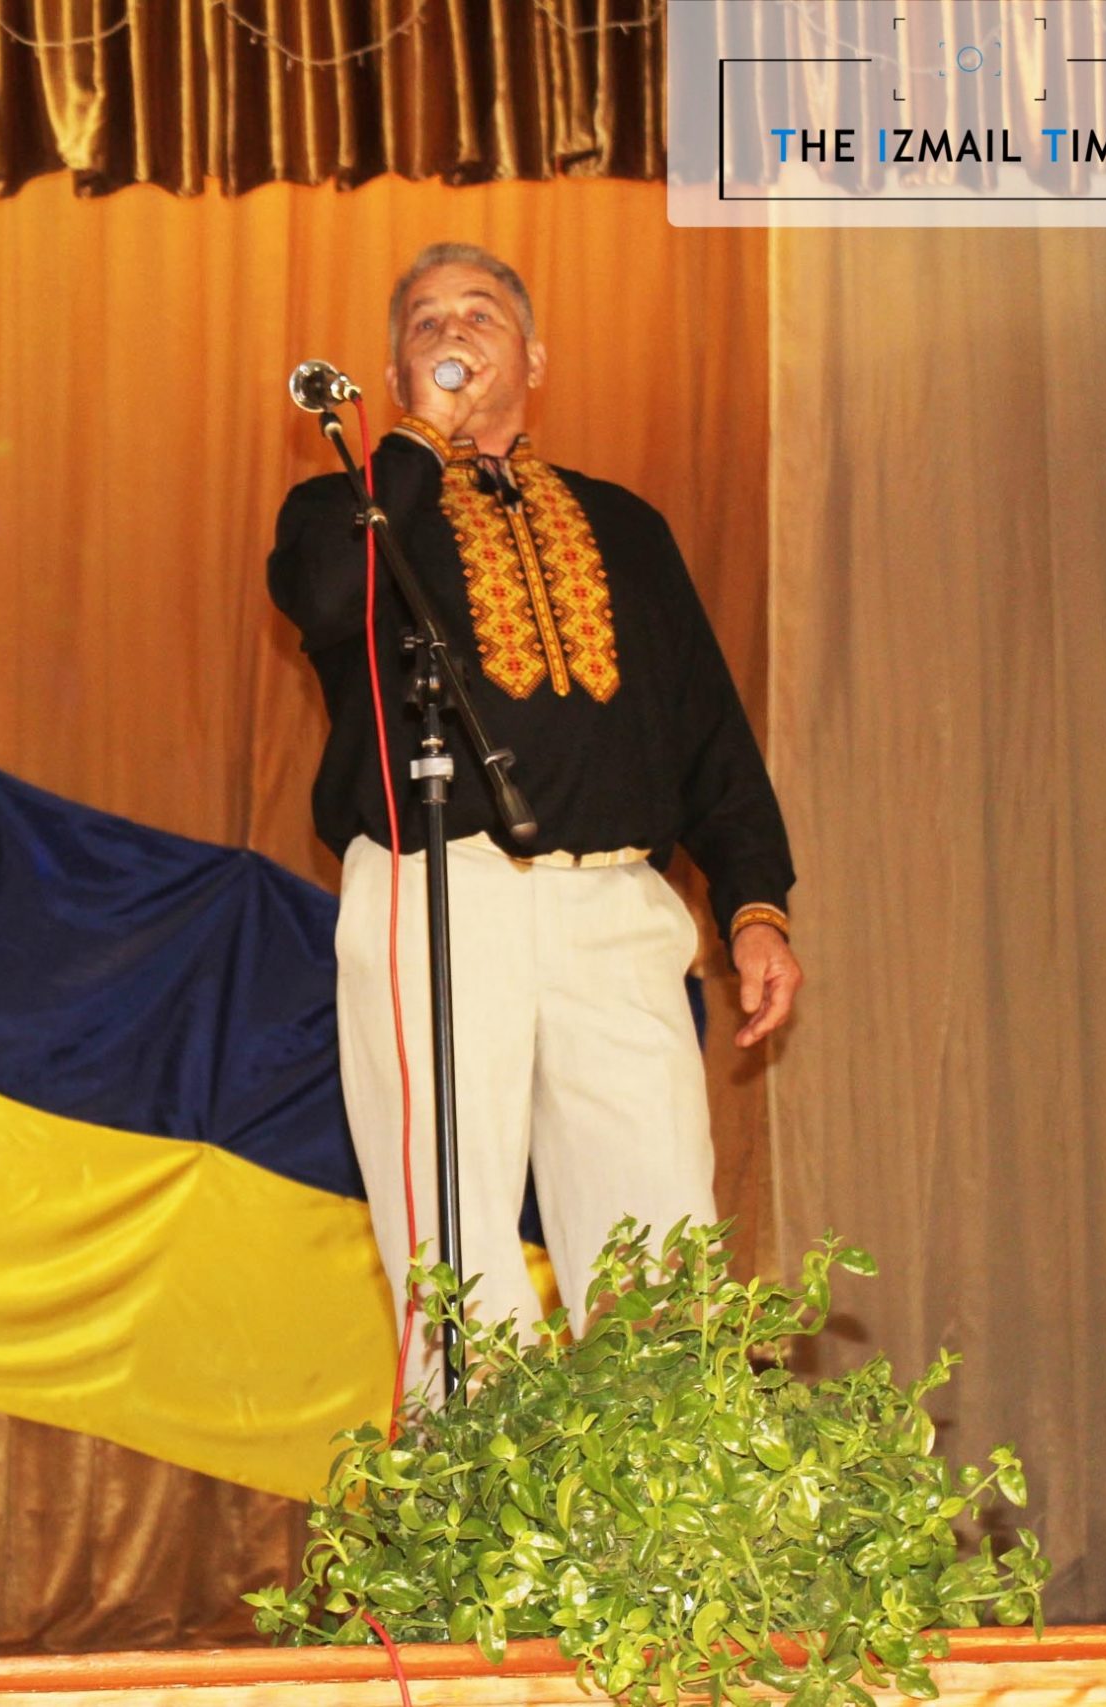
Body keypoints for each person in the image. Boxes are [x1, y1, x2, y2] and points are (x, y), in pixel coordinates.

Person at [267, 243, 802, 1381]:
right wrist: (418, 437)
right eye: (425, 323)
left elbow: (705, 725)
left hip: (620, 903)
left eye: (480, 315)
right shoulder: (345, 507)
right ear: (394, 371)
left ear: (536, 359)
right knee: (457, 1252)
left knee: (662, 1248)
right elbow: (328, 598)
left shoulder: (625, 524)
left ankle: (659, 1492)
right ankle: (472, 1495)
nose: (452, 333)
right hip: (437, 891)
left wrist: (755, 903)